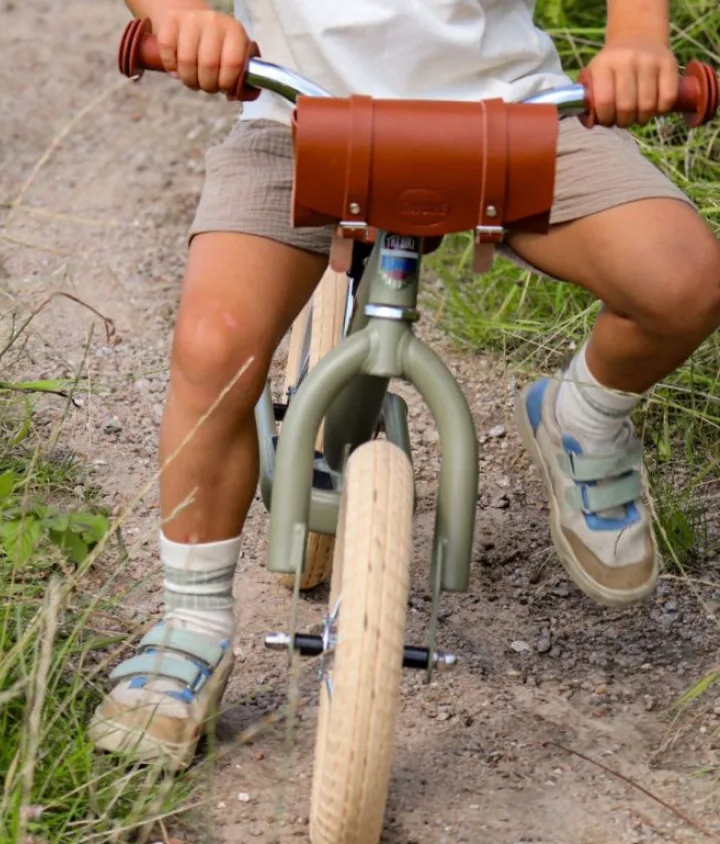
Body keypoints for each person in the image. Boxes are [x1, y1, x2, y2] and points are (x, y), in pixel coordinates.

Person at [89, 0, 720, 768]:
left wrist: (637, 40)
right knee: (213, 343)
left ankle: (584, 412)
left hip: (511, 113)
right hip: (298, 115)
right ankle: (191, 623)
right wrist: (180, 16)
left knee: (682, 281)